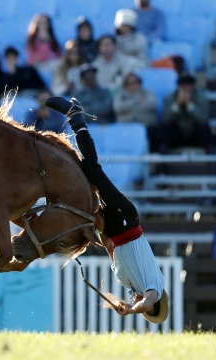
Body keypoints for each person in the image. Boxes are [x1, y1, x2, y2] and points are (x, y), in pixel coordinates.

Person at [44, 96, 168, 324]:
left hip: (115, 229)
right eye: (145, 311)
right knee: (92, 170)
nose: (140, 305)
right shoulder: (154, 290)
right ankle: (76, 117)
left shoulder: (126, 282)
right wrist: (132, 310)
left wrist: (100, 229)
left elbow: (110, 247)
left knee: (83, 178)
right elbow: (148, 302)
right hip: (126, 221)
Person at [162, 73, 213, 154]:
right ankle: (161, 162)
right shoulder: (170, 97)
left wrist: (190, 105)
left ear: (193, 86)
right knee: (166, 129)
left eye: (187, 86)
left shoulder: (202, 98)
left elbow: (203, 120)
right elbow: (166, 119)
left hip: (195, 133)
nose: (185, 89)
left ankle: (213, 161)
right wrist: (177, 105)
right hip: (178, 134)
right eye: (182, 86)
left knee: (206, 129)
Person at [113, 72, 160, 152]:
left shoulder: (147, 92)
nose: (133, 86)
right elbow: (118, 108)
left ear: (140, 83)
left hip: (147, 127)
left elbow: (153, 104)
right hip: (126, 128)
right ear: (125, 85)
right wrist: (137, 101)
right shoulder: (120, 95)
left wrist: (128, 110)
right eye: (129, 83)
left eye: (135, 82)